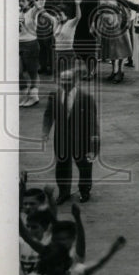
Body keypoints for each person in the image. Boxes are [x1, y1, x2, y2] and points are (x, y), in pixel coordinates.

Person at [42, 67, 99, 204]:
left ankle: (84, 191)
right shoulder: (54, 96)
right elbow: (48, 115)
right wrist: (45, 132)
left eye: (68, 80)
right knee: (62, 166)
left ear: (75, 81)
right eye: (62, 80)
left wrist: (93, 147)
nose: (65, 83)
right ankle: (63, 192)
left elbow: (92, 123)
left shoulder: (86, 98)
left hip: (82, 140)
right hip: (61, 139)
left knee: (84, 166)